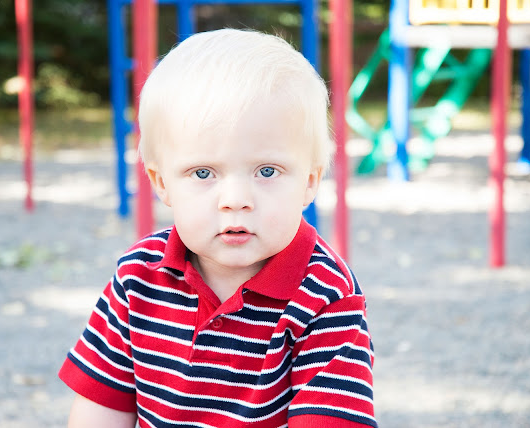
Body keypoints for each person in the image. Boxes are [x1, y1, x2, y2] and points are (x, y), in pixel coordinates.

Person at [59, 28, 376, 428]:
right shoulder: (138, 275)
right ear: (162, 184)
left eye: (266, 171)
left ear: (309, 181)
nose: (235, 199)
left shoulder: (325, 294)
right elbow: (101, 405)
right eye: (203, 172)